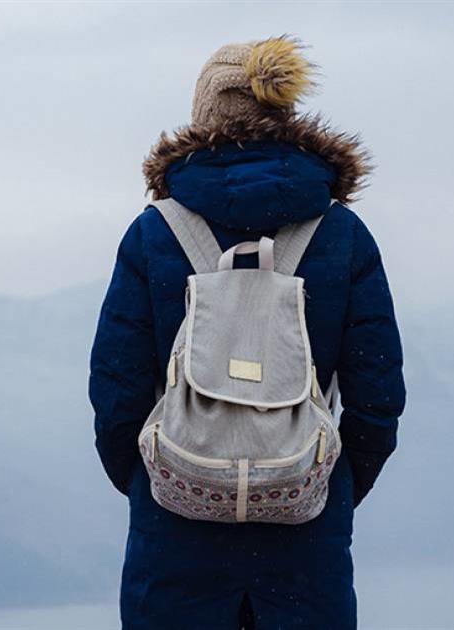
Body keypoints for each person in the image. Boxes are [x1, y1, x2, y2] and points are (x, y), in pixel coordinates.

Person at [89, 35, 406, 629]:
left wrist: (153, 480)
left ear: (203, 116)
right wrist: (325, 485)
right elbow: (378, 393)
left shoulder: (154, 234)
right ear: (285, 114)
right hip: (304, 534)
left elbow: (116, 387)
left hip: (175, 526)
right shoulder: (342, 236)